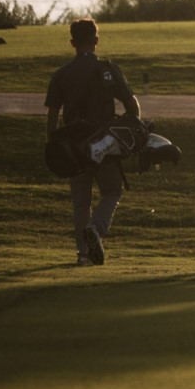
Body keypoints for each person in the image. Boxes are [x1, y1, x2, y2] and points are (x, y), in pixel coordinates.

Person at [45, 17, 141, 266]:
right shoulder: (108, 70)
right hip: (105, 141)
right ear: (96, 40)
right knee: (112, 191)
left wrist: (54, 146)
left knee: (80, 201)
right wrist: (133, 132)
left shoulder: (61, 75)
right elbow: (132, 104)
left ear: (72, 42)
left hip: (73, 145)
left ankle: (83, 254)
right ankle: (96, 229)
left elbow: (52, 116)